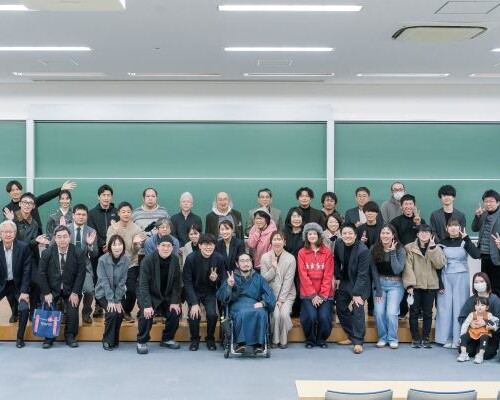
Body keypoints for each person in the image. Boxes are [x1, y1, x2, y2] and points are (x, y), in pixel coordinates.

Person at [217, 252, 276, 354]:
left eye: (248, 260)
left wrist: (263, 303)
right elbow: (221, 296)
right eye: (242, 261)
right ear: (237, 264)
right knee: (242, 313)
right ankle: (241, 343)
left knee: (261, 312)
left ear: (251, 263)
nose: (246, 263)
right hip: (237, 305)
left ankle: (259, 345)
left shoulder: (259, 278)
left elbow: (270, 294)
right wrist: (229, 286)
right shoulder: (231, 277)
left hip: (254, 304)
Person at [38, 225, 86, 349]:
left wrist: (75, 292)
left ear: (70, 237)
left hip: (71, 290)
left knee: (72, 310)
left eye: (65, 236)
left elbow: (81, 274)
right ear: (55, 238)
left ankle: (70, 336)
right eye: (59, 237)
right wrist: (47, 293)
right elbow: (41, 273)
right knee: (48, 307)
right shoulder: (47, 253)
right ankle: (49, 337)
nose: (62, 239)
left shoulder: (78, 252)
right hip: (52, 290)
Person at [435, 219, 480, 348]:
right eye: (450, 226)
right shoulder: (441, 243)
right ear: (446, 228)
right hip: (445, 276)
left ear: (460, 228)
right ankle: (445, 338)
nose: (453, 228)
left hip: (461, 276)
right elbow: (437, 265)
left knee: (460, 306)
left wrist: (467, 239)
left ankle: (458, 338)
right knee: (445, 307)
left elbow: (476, 255)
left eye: (456, 225)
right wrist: (439, 283)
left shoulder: (464, 241)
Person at [4, 192, 50, 314]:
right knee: (11, 283)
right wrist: (11, 221)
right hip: (11, 257)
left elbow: (29, 245)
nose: (27, 205)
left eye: (30, 203)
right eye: (25, 202)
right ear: (20, 203)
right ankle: (15, 311)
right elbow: (7, 239)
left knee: (36, 281)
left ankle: (33, 310)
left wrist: (36, 241)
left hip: (28, 257)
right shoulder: (11, 218)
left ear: (33, 206)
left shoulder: (34, 223)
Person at [136, 236, 182, 355]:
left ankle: (167, 339)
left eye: (169, 246)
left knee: (175, 311)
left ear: (172, 248)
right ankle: (142, 341)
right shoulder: (147, 260)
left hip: (166, 295)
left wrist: (174, 301)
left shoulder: (175, 260)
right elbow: (143, 285)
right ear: (157, 247)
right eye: (163, 245)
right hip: (149, 294)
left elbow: (176, 283)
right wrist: (147, 305)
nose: (166, 248)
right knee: (146, 314)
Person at [403, 224, 445, 349]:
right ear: (417, 234)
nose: (424, 234)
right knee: (414, 312)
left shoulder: (437, 248)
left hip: (430, 285)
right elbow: (407, 267)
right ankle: (415, 338)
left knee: (428, 313)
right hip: (415, 286)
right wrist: (409, 285)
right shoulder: (409, 247)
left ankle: (426, 338)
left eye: (427, 232)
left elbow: (439, 265)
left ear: (431, 235)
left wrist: (432, 249)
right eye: (422, 232)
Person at [183, 233, 226, 351]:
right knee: (194, 314)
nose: (208, 247)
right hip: (194, 290)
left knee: (212, 315)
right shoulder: (191, 258)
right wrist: (194, 303)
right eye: (206, 244)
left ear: (214, 246)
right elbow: (187, 282)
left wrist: (215, 279)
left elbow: (222, 279)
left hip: (210, 291)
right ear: (200, 246)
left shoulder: (219, 258)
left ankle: (210, 338)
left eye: (211, 244)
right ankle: (194, 339)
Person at [334, 223, 370, 354]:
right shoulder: (338, 244)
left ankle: (358, 342)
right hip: (345, 280)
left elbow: (363, 274)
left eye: (350, 233)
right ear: (341, 234)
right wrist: (338, 276)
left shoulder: (363, 250)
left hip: (359, 282)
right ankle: (352, 336)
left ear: (355, 235)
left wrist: (356, 293)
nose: (347, 236)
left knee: (358, 308)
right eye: (344, 233)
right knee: (340, 307)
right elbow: (336, 260)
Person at [106, 201, 145, 322]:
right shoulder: (113, 227)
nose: (126, 214)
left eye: (128, 212)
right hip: (115, 264)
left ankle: (126, 311)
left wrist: (136, 244)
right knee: (117, 289)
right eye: (123, 212)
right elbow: (109, 246)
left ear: (131, 213)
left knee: (131, 291)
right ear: (118, 213)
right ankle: (117, 312)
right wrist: (115, 231)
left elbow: (136, 250)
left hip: (131, 264)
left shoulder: (136, 228)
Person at [298, 223, 334, 349]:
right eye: (309, 234)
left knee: (324, 317)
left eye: (314, 233)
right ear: (306, 236)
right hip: (308, 294)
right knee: (310, 317)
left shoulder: (327, 252)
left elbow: (328, 275)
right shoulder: (302, 252)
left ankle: (321, 339)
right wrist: (313, 295)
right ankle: (310, 340)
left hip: (325, 293)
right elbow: (303, 275)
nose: (312, 236)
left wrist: (322, 295)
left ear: (319, 235)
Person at [370, 224, 406, 349]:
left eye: (388, 233)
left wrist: (392, 252)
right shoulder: (374, 248)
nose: (385, 235)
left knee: (391, 312)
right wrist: (378, 289)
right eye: (383, 233)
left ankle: (392, 338)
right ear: (380, 235)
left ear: (393, 235)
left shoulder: (400, 249)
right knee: (379, 312)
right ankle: (382, 337)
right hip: (379, 283)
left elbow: (397, 270)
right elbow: (373, 270)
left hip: (396, 284)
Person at [261, 230, 296, 349]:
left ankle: (283, 340)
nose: (277, 242)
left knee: (284, 314)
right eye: (274, 239)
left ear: (284, 242)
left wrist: (281, 300)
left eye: (279, 239)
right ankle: (275, 340)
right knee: (275, 315)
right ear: (271, 242)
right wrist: (273, 268)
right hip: (270, 294)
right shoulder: (265, 257)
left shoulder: (291, 258)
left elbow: (288, 281)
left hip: (287, 294)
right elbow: (263, 279)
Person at [87, 184, 119, 318]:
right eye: (103, 195)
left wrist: (111, 245)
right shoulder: (91, 213)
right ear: (98, 197)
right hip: (98, 252)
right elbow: (91, 231)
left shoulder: (117, 212)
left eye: (108, 195)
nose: (106, 198)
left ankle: (114, 302)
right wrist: (103, 244)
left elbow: (119, 231)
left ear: (111, 197)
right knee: (98, 277)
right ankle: (99, 305)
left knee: (114, 278)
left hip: (115, 251)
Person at [3, 179, 76, 235]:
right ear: (9, 192)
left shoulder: (32, 201)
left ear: (21, 190)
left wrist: (61, 189)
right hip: (19, 238)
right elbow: (7, 227)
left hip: (37, 236)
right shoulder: (7, 209)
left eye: (17, 189)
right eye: (12, 190)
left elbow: (45, 196)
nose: (15, 192)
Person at [0, 220, 32, 348]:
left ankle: (20, 338)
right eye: (5, 232)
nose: (8, 234)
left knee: (24, 309)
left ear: (15, 233)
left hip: (18, 285)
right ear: (0, 234)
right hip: (2, 284)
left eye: (11, 232)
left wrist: (24, 291)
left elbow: (27, 270)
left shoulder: (23, 247)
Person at [94, 234, 129, 351]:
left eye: (120, 244)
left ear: (123, 246)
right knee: (112, 312)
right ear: (109, 247)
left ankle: (114, 340)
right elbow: (104, 281)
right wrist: (111, 300)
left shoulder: (126, 260)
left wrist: (117, 300)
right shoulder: (102, 260)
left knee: (119, 313)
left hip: (118, 293)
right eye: (114, 245)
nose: (117, 247)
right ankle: (107, 340)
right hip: (103, 293)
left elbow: (123, 281)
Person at [66, 204, 98, 325]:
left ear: (87, 216)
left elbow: (94, 254)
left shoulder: (91, 231)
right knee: (66, 291)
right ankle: (66, 312)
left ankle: (86, 312)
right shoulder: (66, 229)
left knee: (89, 291)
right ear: (73, 215)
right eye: (78, 214)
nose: (81, 217)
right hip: (67, 267)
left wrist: (90, 245)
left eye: (83, 215)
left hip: (84, 267)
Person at [458, 272, 500, 359]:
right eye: (476, 282)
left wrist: (485, 322)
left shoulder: (494, 299)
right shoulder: (471, 300)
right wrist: (470, 323)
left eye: (481, 281)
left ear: (487, 283)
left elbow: (498, 319)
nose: (479, 284)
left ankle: (480, 350)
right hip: (473, 334)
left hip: (489, 335)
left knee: (486, 354)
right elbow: (461, 317)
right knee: (463, 350)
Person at [471, 189, 500, 297]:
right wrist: (477, 217)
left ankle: (497, 307)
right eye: (486, 201)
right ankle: (487, 306)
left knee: (497, 286)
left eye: (491, 201)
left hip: (497, 255)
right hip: (484, 255)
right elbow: (474, 228)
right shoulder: (483, 214)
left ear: (498, 202)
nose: (488, 204)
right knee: (485, 285)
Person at [456, 297, 499, 364]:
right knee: (463, 337)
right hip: (473, 333)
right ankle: (464, 354)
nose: (479, 307)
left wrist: (493, 327)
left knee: (484, 337)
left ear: (487, 307)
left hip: (483, 333)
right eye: (477, 305)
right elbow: (465, 324)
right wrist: (462, 334)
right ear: (475, 307)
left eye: (482, 305)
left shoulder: (489, 315)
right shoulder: (472, 314)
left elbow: (496, 320)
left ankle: (480, 355)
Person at [284, 207, 304, 317]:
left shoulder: (307, 232)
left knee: (300, 289)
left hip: (302, 268)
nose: (296, 219)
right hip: (287, 267)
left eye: (299, 216)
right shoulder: (283, 232)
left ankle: (300, 311)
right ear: (289, 218)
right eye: (294, 216)